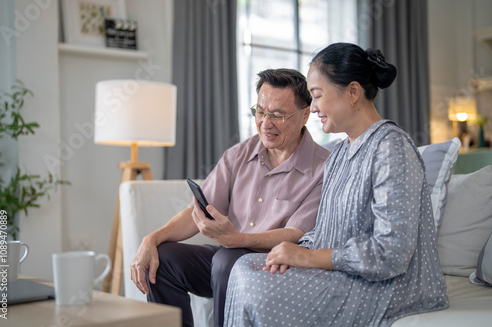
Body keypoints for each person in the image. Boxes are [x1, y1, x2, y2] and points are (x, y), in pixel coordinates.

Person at [224, 43, 449, 327]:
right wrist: (293, 251)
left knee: (260, 288)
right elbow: (325, 229)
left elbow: (391, 255)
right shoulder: (340, 154)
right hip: (344, 272)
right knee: (245, 266)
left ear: (353, 92)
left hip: (391, 286)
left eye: (317, 95)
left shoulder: (392, 148)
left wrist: (307, 257)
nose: (313, 106)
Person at [130, 68, 330, 327]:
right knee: (163, 258)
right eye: (260, 111)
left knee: (227, 260)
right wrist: (152, 239)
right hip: (227, 259)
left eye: (277, 115)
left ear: (305, 115)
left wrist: (236, 240)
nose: (265, 123)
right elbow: (197, 212)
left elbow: (295, 234)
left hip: (278, 267)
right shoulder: (240, 153)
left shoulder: (324, 168)